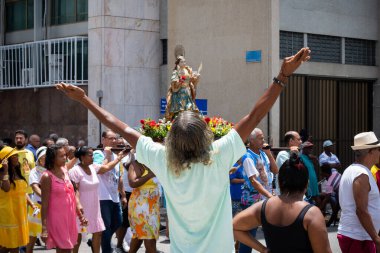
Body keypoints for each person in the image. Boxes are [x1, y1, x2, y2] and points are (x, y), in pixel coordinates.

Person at [56, 47, 311, 253]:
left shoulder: (163, 158)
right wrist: (282, 76)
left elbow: (121, 127)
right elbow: (256, 115)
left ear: (172, 139)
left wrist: (84, 99)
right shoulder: (219, 154)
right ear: (205, 135)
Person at [233, 152, 332, 253]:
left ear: (280, 183)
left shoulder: (263, 206)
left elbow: (234, 226)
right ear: (307, 184)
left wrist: (262, 249)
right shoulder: (312, 213)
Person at [69, 146, 124, 253]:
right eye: (90, 155)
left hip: (95, 206)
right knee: (78, 234)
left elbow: (107, 167)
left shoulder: (93, 167)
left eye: (92, 155)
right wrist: (78, 204)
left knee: (98, 232)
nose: (92, 157)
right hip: (81, 206)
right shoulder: (75, 171)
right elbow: (74, 190)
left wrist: (118, 158)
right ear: (82, 157)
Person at [338, 131, 380, 253]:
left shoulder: (354, 170)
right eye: (378, 149)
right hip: (358, 237)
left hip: (358, 236)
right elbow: (361, 210)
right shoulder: (361, 174)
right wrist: (376, 239)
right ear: (370, 151)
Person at [40, 145, 87, 252]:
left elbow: (71, 196)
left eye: (65, 155)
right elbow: (45, 204)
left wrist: (80, 216)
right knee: (66, 248)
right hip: (57, 219)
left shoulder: (65, 170)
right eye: (61, 156)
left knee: (66, 249)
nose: (65, 158)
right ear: (52, 158)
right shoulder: (47, 176)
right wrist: (44, 228)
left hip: (70, 217)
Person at [239, 128, 278, 253]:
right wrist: (270, 196)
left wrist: (269, 154)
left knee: (270, 232)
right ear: (251, 140)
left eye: (263, 138)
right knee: (249, 234)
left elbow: (275, 170)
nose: (263, 140)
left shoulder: (263, 154)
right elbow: (254, 181)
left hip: (265, 200)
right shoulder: (247, 157)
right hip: (252, 202)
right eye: (260, 138)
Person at [93, 130, 128, 253]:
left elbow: (119, 177)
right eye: (110, 138)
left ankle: (98, 239)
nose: (114, 141)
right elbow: (101, 170)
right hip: (102, 196)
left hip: (114, 196)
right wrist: (108, 155)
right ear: (103, 140)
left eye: (115, 138)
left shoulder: (116, 155)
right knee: (106, 227)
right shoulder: (98, 153)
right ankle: (106, 249)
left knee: (118, 222)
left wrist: (123, 195)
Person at [0, 146, 30, 252]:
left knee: (13, 245)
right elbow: (6, 188)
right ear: (6, 160)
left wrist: (31, 203)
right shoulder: (2, 173)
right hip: (8, 213)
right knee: (9, 245)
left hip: (19, 212)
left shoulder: (18, 171)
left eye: (17, 155)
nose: (17, 158)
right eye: (14, 156)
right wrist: (5, 170)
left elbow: (22, 193)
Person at [127, 160, 160, 253]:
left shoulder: (154, 163)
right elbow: (132, 183)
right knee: (149, 235)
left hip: (153, 207)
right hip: (140, 207)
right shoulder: (135, 164)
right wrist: (150, 175)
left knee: (139, 236)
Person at [165, 56, 201, 120]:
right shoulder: (176, 72)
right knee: (180, 110)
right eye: (182, 62)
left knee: (189, 107)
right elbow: (173, 82)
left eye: (184, 61)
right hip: (179, 92)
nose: (184, 63)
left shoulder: (188, 70)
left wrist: (196, 77)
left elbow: (191, 79)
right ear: (178, 63)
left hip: (187, 91)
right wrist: (179, 81)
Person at [26, 146, 48, 253]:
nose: (45, 160)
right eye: (43, 157)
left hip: (51, 207)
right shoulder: (34, 171)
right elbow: (35, 187)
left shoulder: (52, 170)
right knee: (32, 237)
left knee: (51, 237)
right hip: (37, 207)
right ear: (38, 158)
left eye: (47, 158)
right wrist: (47, 197)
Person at [116, 148, 135, 253]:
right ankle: (119, 245)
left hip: (139, 192)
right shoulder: (125, 157)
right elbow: (128, 166)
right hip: (127, 192)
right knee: (124, 222)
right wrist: (132, 155)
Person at [275, 130, 302, 195]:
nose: (301, 142)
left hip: (295, 193)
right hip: (286, 194)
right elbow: (291, 171)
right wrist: (294, 155)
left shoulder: (297, 154)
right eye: (298, 139)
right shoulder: (283, 154)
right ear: (291, 141)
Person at [14, 129, 36, 195]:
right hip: (16, 190)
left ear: (26, 140)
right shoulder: (11, 153)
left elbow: (33, 170)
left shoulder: (30, 153)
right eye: (16, 138)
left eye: (21, 138)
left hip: (30, 190)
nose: (18, 140)